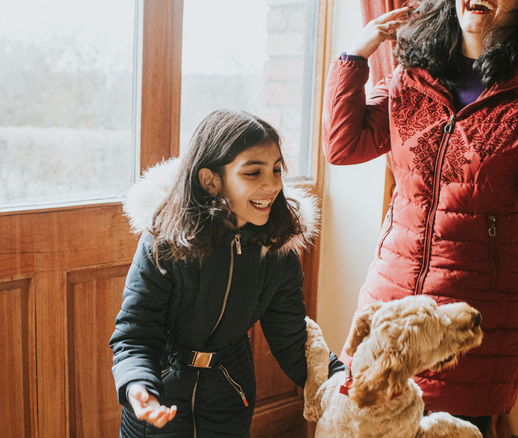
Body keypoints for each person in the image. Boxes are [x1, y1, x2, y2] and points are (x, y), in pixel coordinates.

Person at [323, 0, 518, 436]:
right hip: (391, 301)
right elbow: (344, 145)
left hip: (475, 317)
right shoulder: (414, 75)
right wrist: (355, 56)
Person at [110, 109, 344, 437]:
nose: (272, 185)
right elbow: (135, 333)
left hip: (230, 395)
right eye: (253, 173)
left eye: (277, 170)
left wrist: (343, 382)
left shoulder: (276, 250)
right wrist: (138, 386)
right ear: (211, 180)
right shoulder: (164, 242)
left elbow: (291, 338)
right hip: (160, 398)